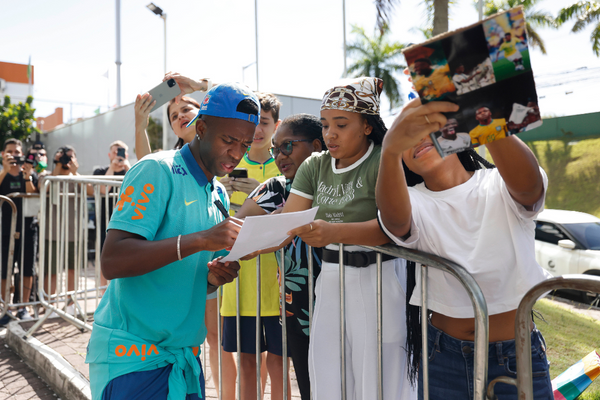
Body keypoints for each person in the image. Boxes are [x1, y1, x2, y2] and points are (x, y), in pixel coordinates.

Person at [85, 82, 256, 400]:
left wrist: (212, 278)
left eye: (245, 145)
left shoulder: (216, 192)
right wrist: (201, 239)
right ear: (201, 128)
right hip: (133, 360)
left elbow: (186, 271)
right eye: (228, 140)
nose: (236, 153)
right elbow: (113, 261)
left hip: (184, 359)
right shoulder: (155, 170)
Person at [376, 98, 553, 399]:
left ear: (455, 132)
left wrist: (482, 113)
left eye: (431, 128)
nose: (419, 140)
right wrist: (389, 150)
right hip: (442, 357)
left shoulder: (499, 182)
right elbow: (394, 222)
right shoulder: (412, 200)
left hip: (517, 353)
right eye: (408, 137)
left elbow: (528, 188)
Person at [253, 77, 416, 400]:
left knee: (379, 379)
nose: (329, 134)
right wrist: (245, 244)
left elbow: (392, 227)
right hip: (330, 278)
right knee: (330, 376)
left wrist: (333, 232)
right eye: (326, 125)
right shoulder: (315, 165)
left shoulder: (385, 158)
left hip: (379, 278)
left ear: (367, 126)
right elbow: (289, 222)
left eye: (341, 125)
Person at [134, 74, 237, 400]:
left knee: (216, 337)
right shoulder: (166, 163)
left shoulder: (221, 151)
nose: (181, 115)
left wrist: (198, 85)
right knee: (190, 343)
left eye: (188, 109)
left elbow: (233, 105)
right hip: (179, 268)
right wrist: (139, 124)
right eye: (174, 114)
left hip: (209, 266)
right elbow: (143, 162)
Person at [234, 113, 324, 400]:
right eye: (275, 149)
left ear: (317, 146)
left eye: (288, 146)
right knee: (310, 387)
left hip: (342, 303)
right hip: (297, 309)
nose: (279, 156)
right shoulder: (276, 188)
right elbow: (236, 233)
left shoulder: (337, 188)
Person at [219, 92, 286, 400]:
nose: (257, 129)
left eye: (263, 121)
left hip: (277, 282)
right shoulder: (227, 166)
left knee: (279, 362)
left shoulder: (287, 168)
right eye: (252, 122)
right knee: (247, 362)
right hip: (238, 284)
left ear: (276, 125)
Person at [0, 138, 39, 325]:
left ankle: (24, 307)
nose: (15, 155)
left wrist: (27, 175)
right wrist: (5, 171)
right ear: (3, 154)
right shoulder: (2, 173)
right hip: (6, 229)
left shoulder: (30, 171)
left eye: (17, 151)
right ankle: (4, 307)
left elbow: (33, 195)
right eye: (11, 152)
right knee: (4, 270)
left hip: (28, 228)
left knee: (27, 268)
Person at [41, 146, 80, 312]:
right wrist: (57, 166)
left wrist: (76, 172)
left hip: (73, 231)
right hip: (53, 231)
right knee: (51, 270)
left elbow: (92, 191)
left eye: (69, 158)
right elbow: (43, 188)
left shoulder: (78, 178)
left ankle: (70, 303)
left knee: (72, 268)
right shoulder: (48, 176)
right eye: (63, 158)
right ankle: (49, 303)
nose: (66, 161)